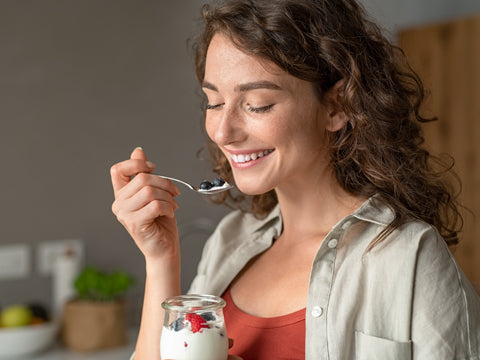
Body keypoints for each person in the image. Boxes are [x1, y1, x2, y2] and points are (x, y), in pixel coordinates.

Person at [110, 0, 480, 359]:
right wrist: (161, 260)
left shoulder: (410, 259)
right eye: (214, 102)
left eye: (257, 104)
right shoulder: (229, 240)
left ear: (337, 106)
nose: (223, 132)